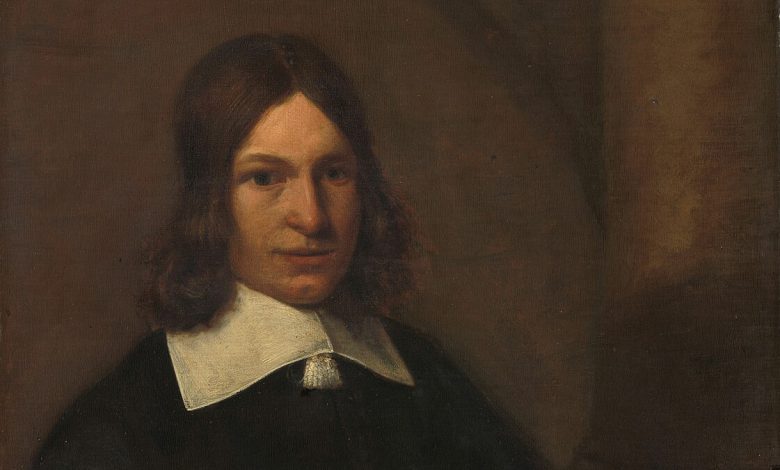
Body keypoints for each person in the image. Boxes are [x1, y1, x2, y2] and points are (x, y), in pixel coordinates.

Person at [35, 34, 542, 469]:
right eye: (264, 178)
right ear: (212, 200)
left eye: (334, 173)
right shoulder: (126, 420)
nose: (312, 217)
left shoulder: (430, 379)